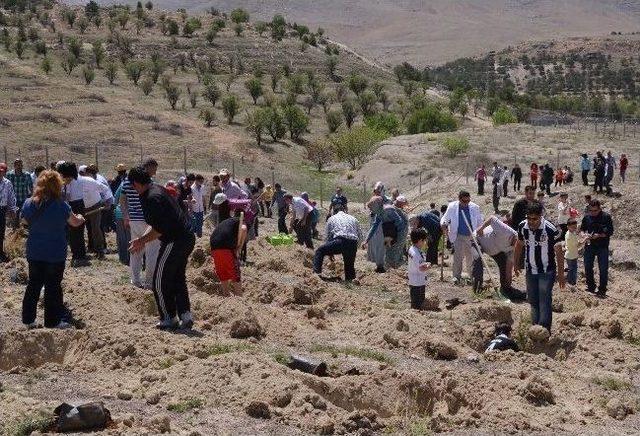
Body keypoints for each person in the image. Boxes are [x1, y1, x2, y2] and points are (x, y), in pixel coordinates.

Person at [128, 167, 196, 330]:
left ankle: (168, 317)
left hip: (175, 239)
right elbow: (156, 225)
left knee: (159, 279)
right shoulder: (157, 189)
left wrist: (141, 241)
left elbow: (160, 229)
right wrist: (141, 239)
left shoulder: (151, 198)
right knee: (177, 277)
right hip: (186, 237)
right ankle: (185, 315)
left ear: (136, 184)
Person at [21, 170, 85, 329]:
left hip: (35, 252)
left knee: (33, 285)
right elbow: (75, 223)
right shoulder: (61, 205)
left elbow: (24, 221)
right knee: (53, 287)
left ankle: (29, 320)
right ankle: (52, 321)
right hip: (55, 254)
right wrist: (81, 218)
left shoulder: (29, 203)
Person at [514, 201, 565, 332]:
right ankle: (535, 326)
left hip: (546, 270)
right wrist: (515, 263)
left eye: (534, 219)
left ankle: (544, 329)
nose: (531, 222)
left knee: (544, 299)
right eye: (529, 218)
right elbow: (519, 245)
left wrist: (560, 274)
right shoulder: (522, 227)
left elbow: (559, 252)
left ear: (541, 217)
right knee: (532, 299)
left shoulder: (550, 229)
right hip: (530, 269)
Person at [58, 162, 113, 261]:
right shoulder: (67, 183)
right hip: (79, 207)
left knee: (95, 228)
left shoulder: (88, 181)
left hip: (94, 205)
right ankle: (79, 252)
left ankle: (100, 250)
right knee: (77, 230)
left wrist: (108, 201)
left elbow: (105, 189)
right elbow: (66, 197)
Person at [120, 162, 160, 289]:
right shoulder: (149, 182)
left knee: (136, 250)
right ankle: (149, 283)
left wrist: (126, 216)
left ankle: (135, 281)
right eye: (153, 169)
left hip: (134, 220)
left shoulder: (126, 182)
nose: (154, 171)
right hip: (148, 220)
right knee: (152, 252)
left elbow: (122, 200)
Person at [474, 216, 525, 301]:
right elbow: (492, 219)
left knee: (504, 265)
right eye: (518, 244)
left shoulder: (516, 250)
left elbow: (508, 269)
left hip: (495, 250)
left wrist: (508, 283)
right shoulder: (506, 231)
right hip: (478, 240)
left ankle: (505, 289)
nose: (518, 247)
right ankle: (477, 289)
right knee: (477, 260)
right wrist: (481, 228)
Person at [440, 191, 484, 285]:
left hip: (471, 236)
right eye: (464, 201)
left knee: (471, 258)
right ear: (459, 199)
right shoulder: (452, 206)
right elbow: (445, 218)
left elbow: (480, 221)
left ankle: (472, 277)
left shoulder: (475, 207)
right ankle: (456, 277)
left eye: (468, 201)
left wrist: (480, 232)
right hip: (458, 235)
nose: (466, 203)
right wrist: (444, 224)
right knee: (457, 257)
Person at [313, 204, 361, 281]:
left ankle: (316, 274)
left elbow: (328, 236)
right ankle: (350, 280)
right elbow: (360, 234)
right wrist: (355, 247)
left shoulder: (332, 218)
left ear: (334, 211)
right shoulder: (353, 218)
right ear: (344, 210)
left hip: (340, 241)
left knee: (320, 251)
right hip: (353, 242)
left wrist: (330, 251)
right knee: (349, 265)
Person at [210, 209, 248, 296]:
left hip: (214, 247)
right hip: (225, 248)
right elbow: (243, 229)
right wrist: (240, 247)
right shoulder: (240, 220)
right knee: (235, 273)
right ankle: (239, 297)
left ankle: (226, 294)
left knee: (222, 272)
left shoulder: (227, 221)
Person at [580, 199, 613, 298]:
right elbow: (582, 229)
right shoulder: (587, 217)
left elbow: (610, 231)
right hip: (589, 245)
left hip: (602, 246)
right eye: (591, 210)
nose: (593, 213)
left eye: (595, 211)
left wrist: (599, 235)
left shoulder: (606, 217)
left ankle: (602, 289)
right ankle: (591, 286)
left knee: (603, 268)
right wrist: (584, 235)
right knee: (587, 266)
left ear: (599, 209)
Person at [407, 228, 431, 310]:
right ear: (420, 240)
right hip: (418, 282)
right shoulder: (417, 254)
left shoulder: (412, 249)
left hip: (413, 280)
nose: (424, 243)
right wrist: (428, 266)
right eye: (424, 240)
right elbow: (421, 268)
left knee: (414, 301)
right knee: (418, 304)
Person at [6, 158, 33, 227]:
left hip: (24, 199)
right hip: (13, 200)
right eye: (17, 164)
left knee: (25, 216)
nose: (19, 166)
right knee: (15, 217)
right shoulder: (9, 175)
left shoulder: (27, 175)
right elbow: (7, 187)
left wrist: (32, 197)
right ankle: (15, 231)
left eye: (20, 164)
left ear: (22, 165)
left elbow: (31, 186)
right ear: (14, 165)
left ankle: (24, 231)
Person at [363, 196, 386, 273]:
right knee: (379, 247)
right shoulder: (379, 213)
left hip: (385, 232)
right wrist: (367, 240)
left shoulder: (386, 211)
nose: (371, 210)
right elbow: (374, 225)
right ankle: (380, 266)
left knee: (381, 247)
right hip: (380, 231)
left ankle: (381, 266)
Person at [385, 196, 409, 269]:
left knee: (397, 251)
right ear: (400, 203)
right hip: (395, 235)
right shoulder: (394, 209)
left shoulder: (399, 211)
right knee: (392, 252)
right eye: (403, 204)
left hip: (399, 236)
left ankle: (393, 267)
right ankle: (391, 267)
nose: (404, 205)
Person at [0, 163, 17, 262]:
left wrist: (13, 210)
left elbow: (11, 197)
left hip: (2, 209)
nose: (0, 173)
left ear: (4, 172)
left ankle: (0, 252)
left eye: (2, 172)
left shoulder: (7, 183)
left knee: (1, 232)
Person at [113, 180, 130, 266]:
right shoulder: (140, 183)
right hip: (131, 215)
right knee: (129, 237)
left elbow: (116, 198)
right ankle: (129, 258)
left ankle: (123, 258)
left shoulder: (123, 183)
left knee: (121, 237)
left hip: (120, 213)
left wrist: (116, 208)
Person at [564, 218, 582, 288]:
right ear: (568, 227)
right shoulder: (570, 235)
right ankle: (572, 283)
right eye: (573, 227)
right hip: (571, 256)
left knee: (571, 269)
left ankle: (570, 283)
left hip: (571, 255)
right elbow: (578, 245)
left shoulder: (570, 233)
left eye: (575, 227)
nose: (574, 229)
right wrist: (585, 240)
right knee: (573, 270)